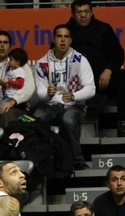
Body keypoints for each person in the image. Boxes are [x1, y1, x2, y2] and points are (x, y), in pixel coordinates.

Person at [66, 0, 125, 138]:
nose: (83, 15)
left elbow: (117, 54)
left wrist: (109, 70)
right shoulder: (65, 32)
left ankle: (123, 123)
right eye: (79, 12)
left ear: (92, 12)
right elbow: (55, 56)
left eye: (86, 11)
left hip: (101, 79)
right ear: (73, 14)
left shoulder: (103, 28)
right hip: (75, 83)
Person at [34, 25, 95, 170]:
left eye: (66, 37)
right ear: (53, 39)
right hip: (50, 105)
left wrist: (73, 96)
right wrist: (48, 94)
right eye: (59, 36)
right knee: (37, 119)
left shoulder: (80, 60)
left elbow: (91, 89)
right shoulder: (42, 63)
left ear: (70, 40)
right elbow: (40, 93)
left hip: (74, 105)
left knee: (68, 120)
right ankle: (41, 161)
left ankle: (77, 161)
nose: (63, 40)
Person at [0, 48, 28, 124]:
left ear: (18, 62)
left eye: (11, 59)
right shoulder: (10, 71)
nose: (8, 61)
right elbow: (7, 87)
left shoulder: (20, 71)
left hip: (12, 97)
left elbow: (20, 84)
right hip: (6, 95)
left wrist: (8, 81)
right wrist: (3, 84)